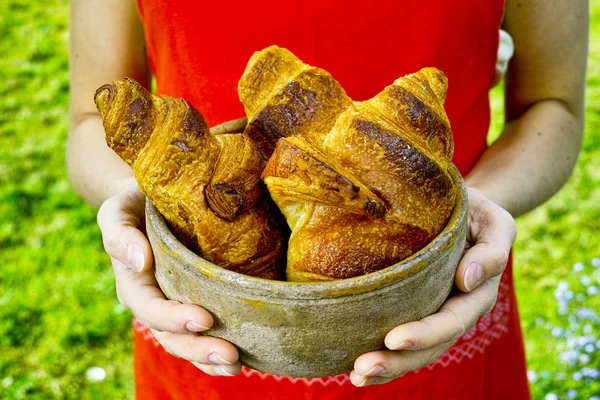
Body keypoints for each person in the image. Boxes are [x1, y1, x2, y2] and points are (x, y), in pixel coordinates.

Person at [67, 0, 588, 398]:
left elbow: (553, 104)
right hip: (201, 314)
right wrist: (140, 209)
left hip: (443, 288)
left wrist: (475, 213)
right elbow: (91, 119)